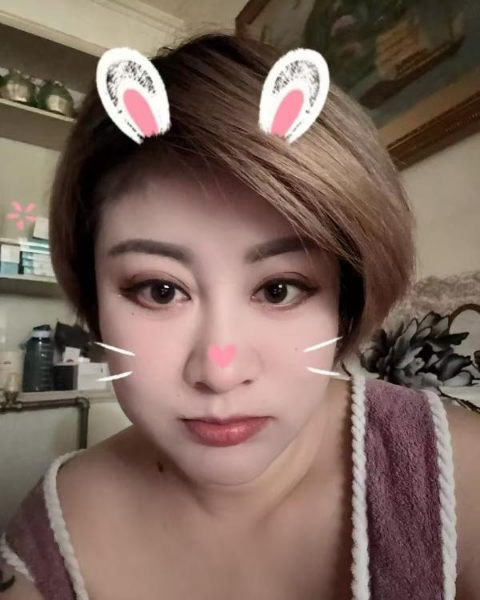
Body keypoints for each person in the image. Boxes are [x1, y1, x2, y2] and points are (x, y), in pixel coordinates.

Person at [1, 32, 480, 600]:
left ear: (345, 298)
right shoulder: (53, 531)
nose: (221, 372)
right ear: (94, 300)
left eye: (278, 290)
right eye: (160, 290)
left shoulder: (459, 479)